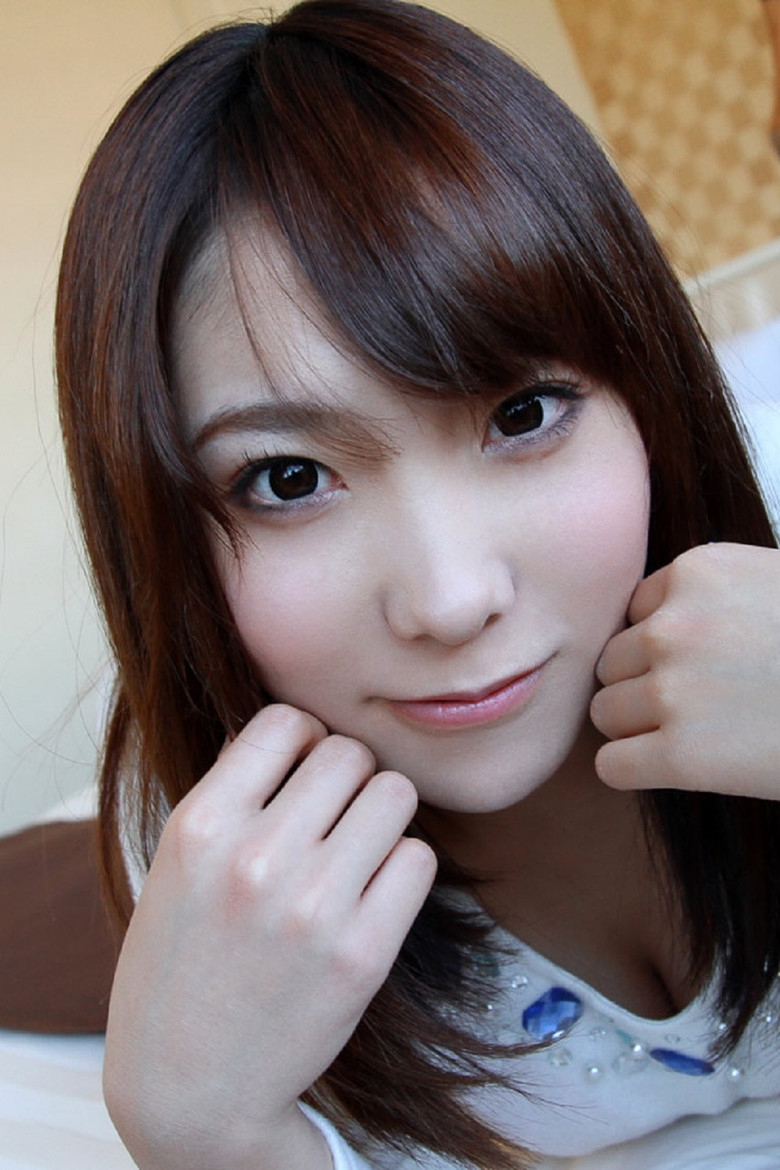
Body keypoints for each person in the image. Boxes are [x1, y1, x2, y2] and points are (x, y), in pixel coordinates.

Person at [54, 1, 780, 1166]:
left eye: (523, 414)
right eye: (289, 478)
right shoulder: (223, 839)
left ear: (650, 388)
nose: (450, 600)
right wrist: (204, 1135)